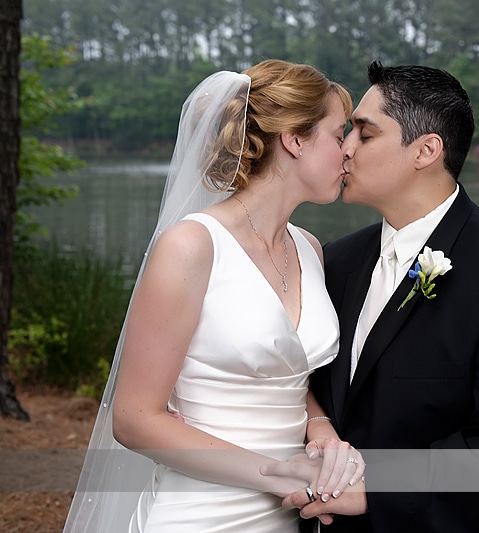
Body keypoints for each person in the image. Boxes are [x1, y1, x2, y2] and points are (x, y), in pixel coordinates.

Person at [267, 62, 479, 532]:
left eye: (364, 135)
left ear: (425, 151)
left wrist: (379, 488)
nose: (344, 149)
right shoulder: (336, 260)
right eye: (347, 132)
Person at [63, 59, 365, 532]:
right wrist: (278, 472)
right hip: (202, 512)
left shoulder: (308, 249)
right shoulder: (192, 246)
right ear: (295, 139)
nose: (349, 150)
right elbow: (135, 419)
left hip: (286, 513)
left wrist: (319, 427)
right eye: (337, 131)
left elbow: (288, 372)